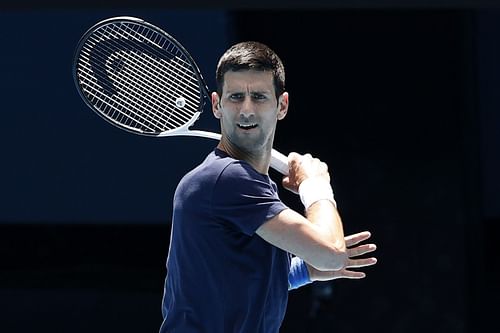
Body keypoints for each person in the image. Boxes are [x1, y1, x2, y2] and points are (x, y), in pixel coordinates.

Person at [159, 41, 377, 333]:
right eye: (236, 97)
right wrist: (316, 186)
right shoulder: (225, 179)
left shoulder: (250, 186)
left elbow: (235, 281)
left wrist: (306, 270)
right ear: (216, 105)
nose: (246, 109)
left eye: (259, 97)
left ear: (282, 105)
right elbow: (332, 251)